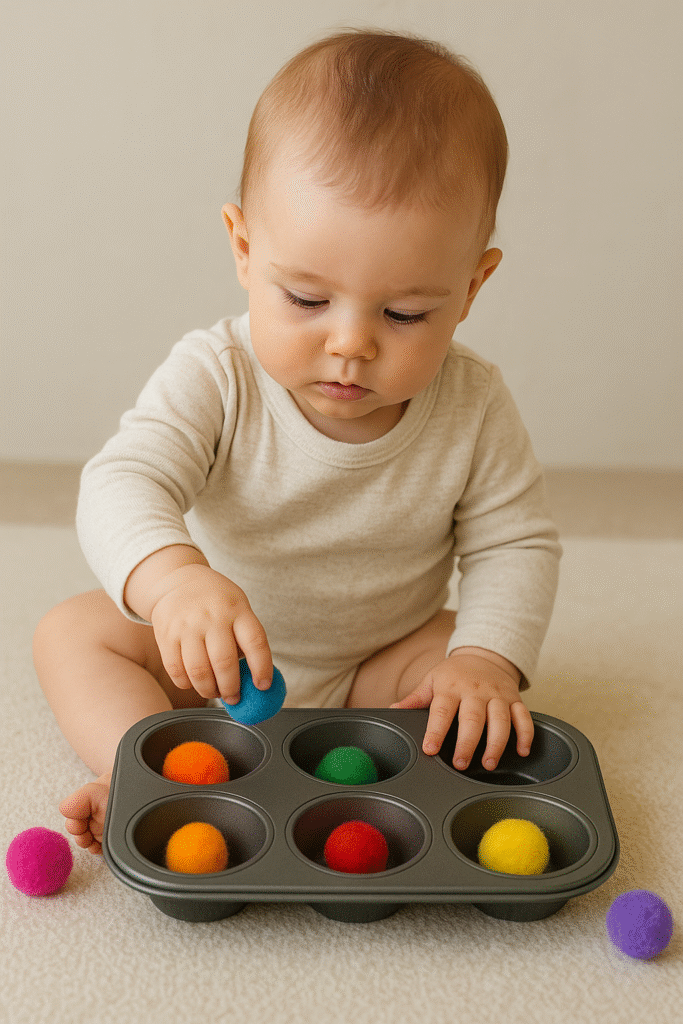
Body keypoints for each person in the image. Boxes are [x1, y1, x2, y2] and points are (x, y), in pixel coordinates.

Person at [33, 28, 561, 855]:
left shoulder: (473, 403)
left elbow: (514, 543)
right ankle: (152, 769)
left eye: (404, 314)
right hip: (211, 660)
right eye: (307, 299)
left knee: (458, 680)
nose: (350, 343)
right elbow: (124, 480)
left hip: (377, 658)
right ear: (245, 250)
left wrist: (486, 661)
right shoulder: (217, 372)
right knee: (72, 633)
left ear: (471, 287)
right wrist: (174, 586)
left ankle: (361, 776)